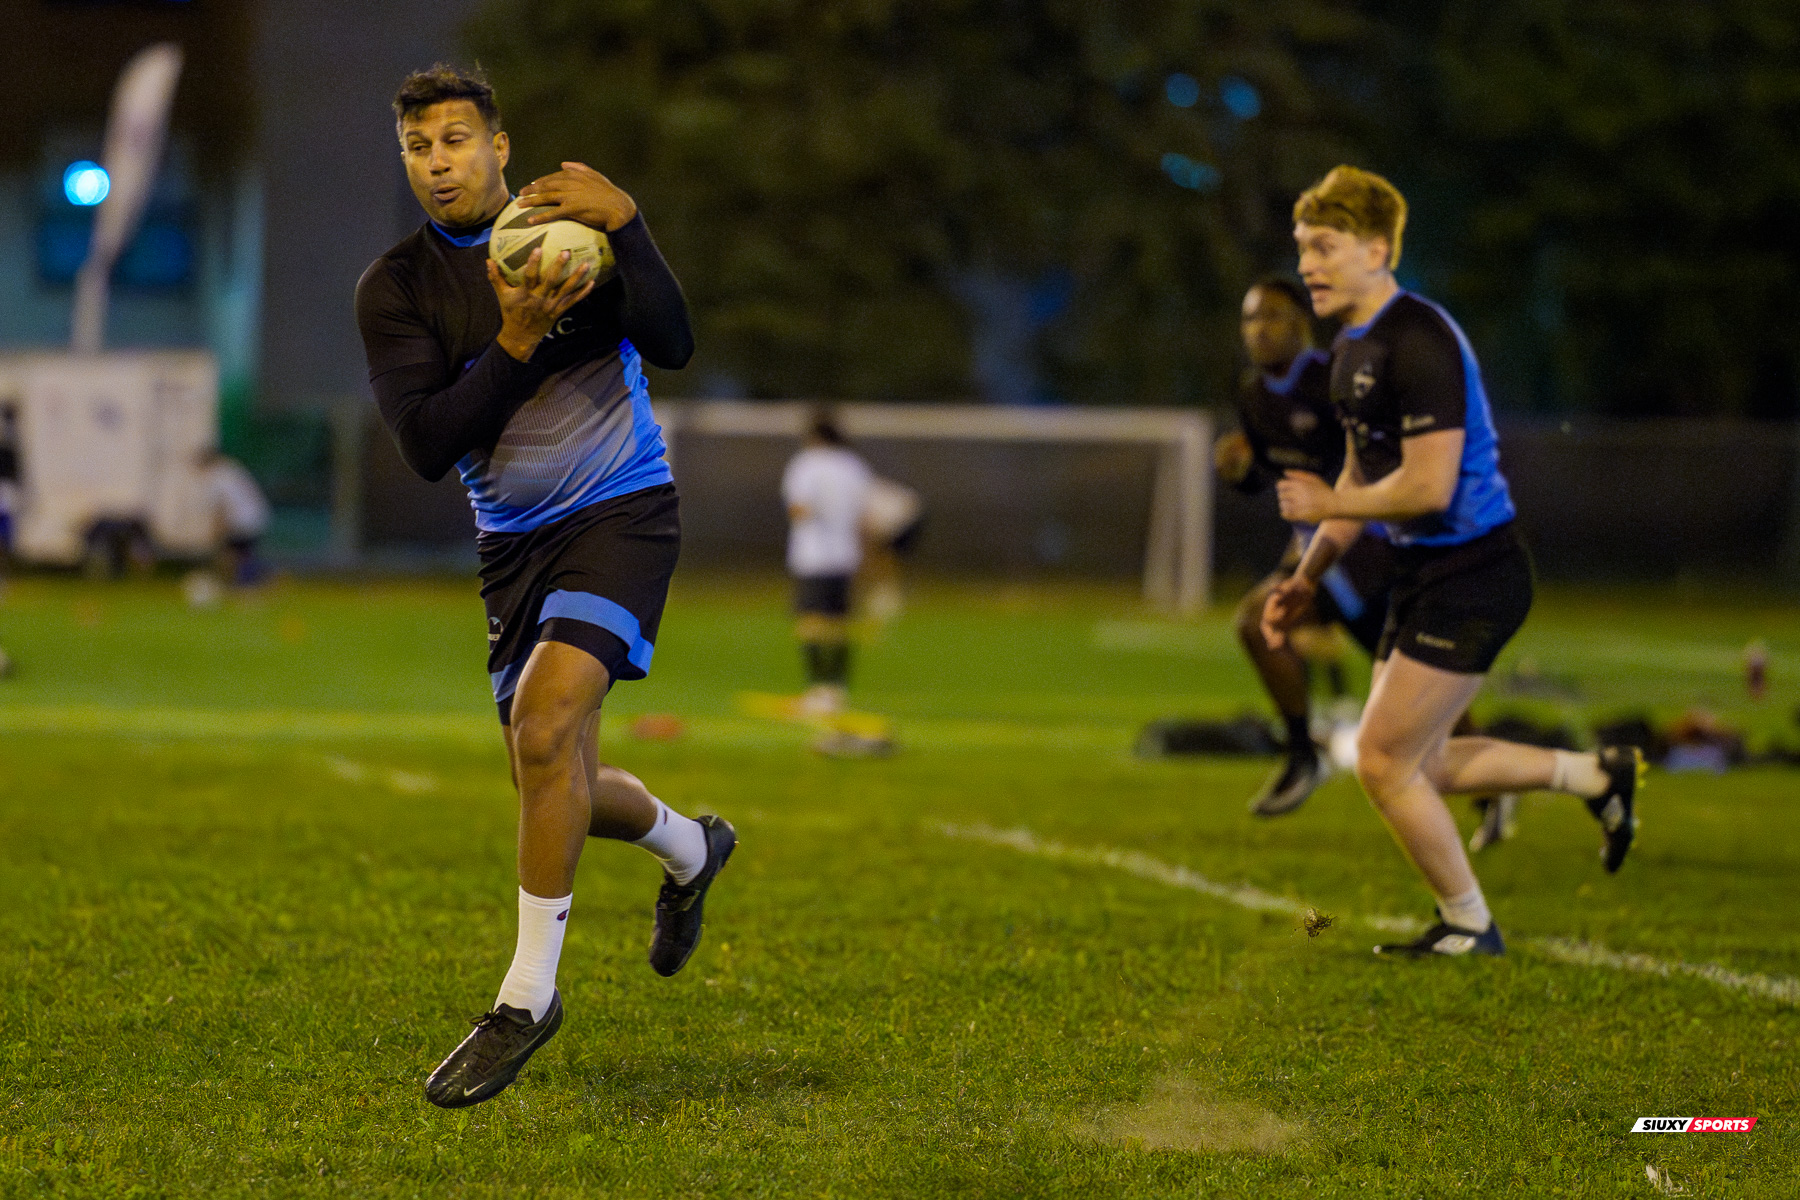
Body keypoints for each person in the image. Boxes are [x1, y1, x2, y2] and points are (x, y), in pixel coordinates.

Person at [354, 64, 735, 1107]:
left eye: (456, 140)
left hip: (622, 509)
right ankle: (692, 846)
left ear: (499, 146)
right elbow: (430, 444)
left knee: (543, 724)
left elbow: (675, 344)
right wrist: (517, 341)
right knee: (553, 774)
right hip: (510, 545)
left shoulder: (580, 236)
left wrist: (635, 226)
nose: (440, 162)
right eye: (420, 146)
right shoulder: (395, 290)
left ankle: (526, 998)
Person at [1263, 166, 1643, 958]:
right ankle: (1596, 778)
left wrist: (1328, 509)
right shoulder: (1349, 349)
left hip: (1474, 572)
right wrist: (1305, 578)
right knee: (1420, 764)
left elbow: (1429, 488)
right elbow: (1361, 476)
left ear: (1377, 249)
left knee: (1379, 761)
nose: (1308, 264)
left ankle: (1470, 924)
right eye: (1302, 247)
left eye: (1325, 247)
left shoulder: (1419, 339)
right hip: (1424, 573)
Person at [1215, 276, 1396, 816]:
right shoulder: (1252, 393)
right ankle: (1302, 755)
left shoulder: (1333, 381)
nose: (1259, 329)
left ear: (1301, 323)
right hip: (1315, 560)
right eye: (1250, 318)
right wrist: (1239, 473)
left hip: (1373, 554)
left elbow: (1378, 460)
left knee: (1412, 689)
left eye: (1271, 316)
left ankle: (1492, 790)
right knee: (1257, 623)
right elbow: (1272, 475)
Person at [782, 410, 872, 715]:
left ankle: (817, 689)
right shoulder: (854, 466)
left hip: (813, 554)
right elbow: (864, 515)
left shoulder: (806, 464)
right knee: (840, 623)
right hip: (846, 555)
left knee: (811, 622)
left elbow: (799, 508)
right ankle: (838, 689)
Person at [858, 473, 924, 626]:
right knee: (881, 556)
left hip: (904, 516)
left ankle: (886, 596)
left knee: (882, 556)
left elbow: (868, 528)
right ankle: (886, 595)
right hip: (906, 511)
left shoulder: (853, 496)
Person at [198, 450, 271, 586]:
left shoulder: (216, 477)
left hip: (242, 520)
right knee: (242, 554)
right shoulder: (230, 468)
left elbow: (221, 507)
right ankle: (248, 581)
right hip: (256, 515)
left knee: (231, 554)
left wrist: (217, 530)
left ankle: (241, 583)